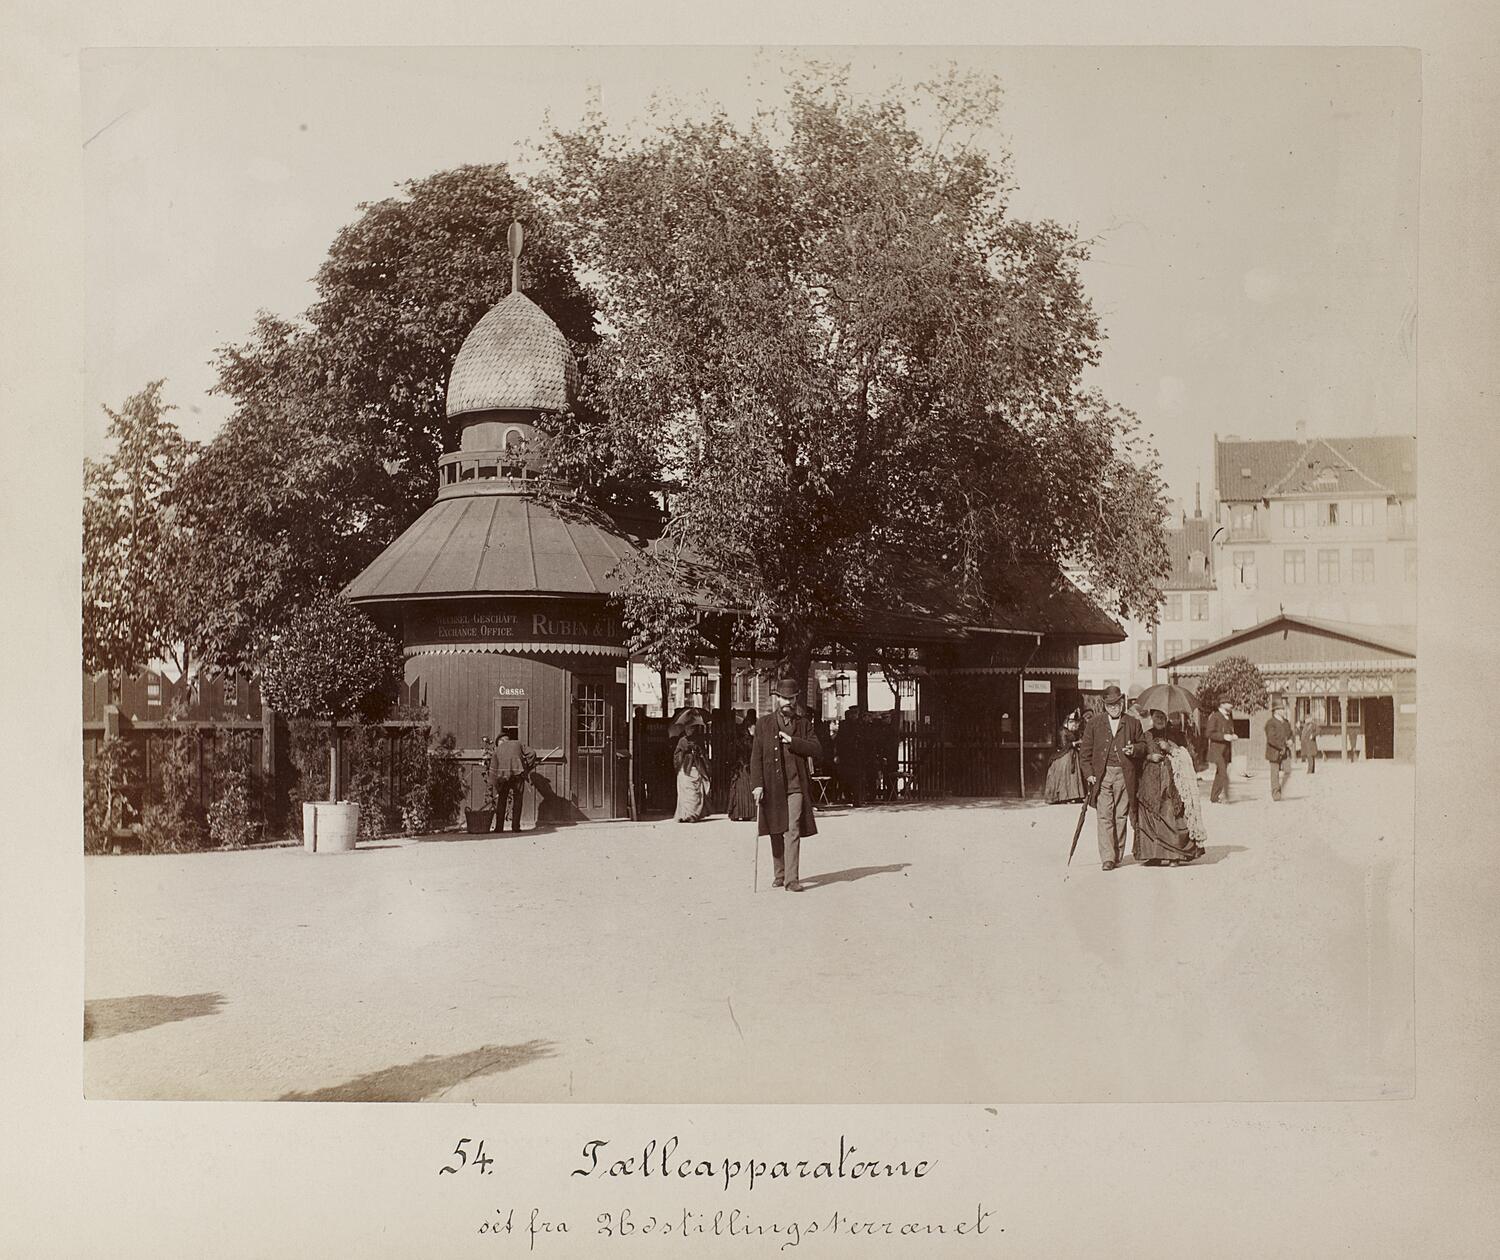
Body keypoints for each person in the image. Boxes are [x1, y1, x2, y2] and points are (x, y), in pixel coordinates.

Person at [750, 675, 823, 892]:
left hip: (796, 786)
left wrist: (794, 742)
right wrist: (757, 785)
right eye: (784, 698)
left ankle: (792, 880)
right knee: (776, 828)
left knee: (792, 829)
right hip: (772, 786)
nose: (787, 702)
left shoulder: (804, 724)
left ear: (796, 699)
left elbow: (817, 749)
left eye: (791, 699)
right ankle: (780, 874)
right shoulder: (764, 724)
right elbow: (756, 757)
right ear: (777, 699)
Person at [1078, 685, 1146, 871]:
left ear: (1122, 703)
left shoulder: (1133, 723)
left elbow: (1143, 745)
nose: (1114, 708)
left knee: (1120, 815)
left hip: (1125, 775)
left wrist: (1135, 749)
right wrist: (1089, 774)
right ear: (1104, 705)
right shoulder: (1094, 723)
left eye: (1117, 704)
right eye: (1110, 705)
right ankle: (1107, 858)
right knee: (1104, 816)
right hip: (1102, 775)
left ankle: (1117, 854)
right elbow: (1084, 754)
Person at [1133, 710, 1204, 865]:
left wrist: (1171, 749)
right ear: (1152, 718)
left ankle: (1175, 855)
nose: (1159, 719)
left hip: (1172, 782)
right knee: (1150, 816)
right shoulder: (1146, 735)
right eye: (1156, 716)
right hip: (1150, 782)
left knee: (1171, 814)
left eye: (1162, 716)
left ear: (1166, 717)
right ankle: (1154, 855)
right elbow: (1138, 756)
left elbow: (1190, 756)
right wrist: (1149, 756)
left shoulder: (1177, 735)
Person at [488, 728, 536, 833]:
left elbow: (493, 770)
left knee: (502, 800)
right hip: (518, 773)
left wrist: (494, 785)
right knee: (518, 799)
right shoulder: (518, 743)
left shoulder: (497, 750)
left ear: (500, 741)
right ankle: (515, 827)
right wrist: (527, 767)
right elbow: (532, 753)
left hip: (503, 776)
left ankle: (499, 828)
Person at [1044, 709, 1086, 804]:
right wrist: (1076, 743)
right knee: (1065, 775)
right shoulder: (1062, 731)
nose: (1074, 725)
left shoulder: (1070, 731)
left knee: (1073, 776)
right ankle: (1064, 796)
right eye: (1072, 722)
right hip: (1065, 755)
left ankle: (1075, 795)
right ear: (1067, 721)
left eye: (1074, 722)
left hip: (1072, 754)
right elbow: (1064, 745)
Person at [673, 720, 711, 822]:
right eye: (689, 728)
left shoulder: (697, 740)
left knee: (696, 792)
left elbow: (703, 753)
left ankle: (693, 814)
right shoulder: (682, 741)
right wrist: (685, 750)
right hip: (685, 768)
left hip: (696, 767)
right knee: (686, 792)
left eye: (692, 728)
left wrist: (697, 750)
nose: (690, 730)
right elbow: (676, 754)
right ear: (685, 729)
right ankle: (685, 815)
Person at [835, 706, 869, 807]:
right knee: (847, 777)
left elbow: (864, 740)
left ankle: (857, 799)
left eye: (856, 713)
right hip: (847, 756)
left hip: (857, 756)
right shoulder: (844, 726)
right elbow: (840, 741)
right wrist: (838, 754)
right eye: (852, 713)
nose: (854, 715)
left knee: (858, 778)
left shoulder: (860, 725)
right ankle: (848, 797)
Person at [726, 713, 757, 821]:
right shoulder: (746, 740)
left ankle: (740, 813)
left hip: (741, 767)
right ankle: (746, 813)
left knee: (743, 790)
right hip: (743, 767)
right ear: (749, 727)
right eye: (754, 727)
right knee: (745, 789)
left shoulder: (745, 738)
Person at [1205, 699, 1236, 803]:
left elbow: (1230, 730)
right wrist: (1224, 736)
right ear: (1222, 704)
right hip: (1217, 750)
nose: (1231, 705)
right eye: (1229, 703)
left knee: (1220, 773)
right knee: (1223, 772)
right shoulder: (1215, 716)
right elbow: (1208, 733)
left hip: (1226, 750)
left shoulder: (1229, 716)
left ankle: (1214, 797)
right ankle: (1227, 797)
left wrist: (1232, 736)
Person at [1264, 701, 1294, 801]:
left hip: (1285, 752)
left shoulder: (1286, 723)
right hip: (1274, 751)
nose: (1283, 711)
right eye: (1281, 709)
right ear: (1275, 711)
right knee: (1275, 773)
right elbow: (1271, 739)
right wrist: (1283, 745)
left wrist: (1291, 740)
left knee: (1288, 771)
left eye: (1283, 709)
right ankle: (1275, 794)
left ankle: (1280, 789)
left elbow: (1291, 734)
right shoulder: (1270, 723)